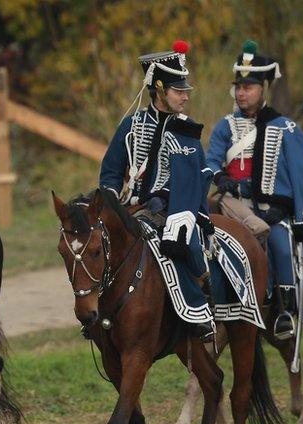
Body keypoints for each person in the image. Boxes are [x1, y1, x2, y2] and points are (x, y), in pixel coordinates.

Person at [206, 40, 303, 340]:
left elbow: (299, 175)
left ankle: (284, 311)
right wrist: (220, 175)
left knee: (281, 244)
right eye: (238, 86)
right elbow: (209, 161)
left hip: (273, 209)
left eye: (249, 86)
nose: (242, 92)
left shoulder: (285, 128)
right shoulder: (224, 126)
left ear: (263, 89)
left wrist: (292, 212)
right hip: (233, 205)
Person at [99, 40, 216, 342]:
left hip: (175, 209)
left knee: (177, 243)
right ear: (160, 89)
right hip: (132, 208)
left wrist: (165, 202)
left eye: (186, 90)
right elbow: (111, 170)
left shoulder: (187, 129)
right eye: (179, 90)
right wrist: (111, 200)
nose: (186, 96)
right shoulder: (131, 125)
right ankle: (97, 313)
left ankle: (200, 306)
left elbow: (193, 180)